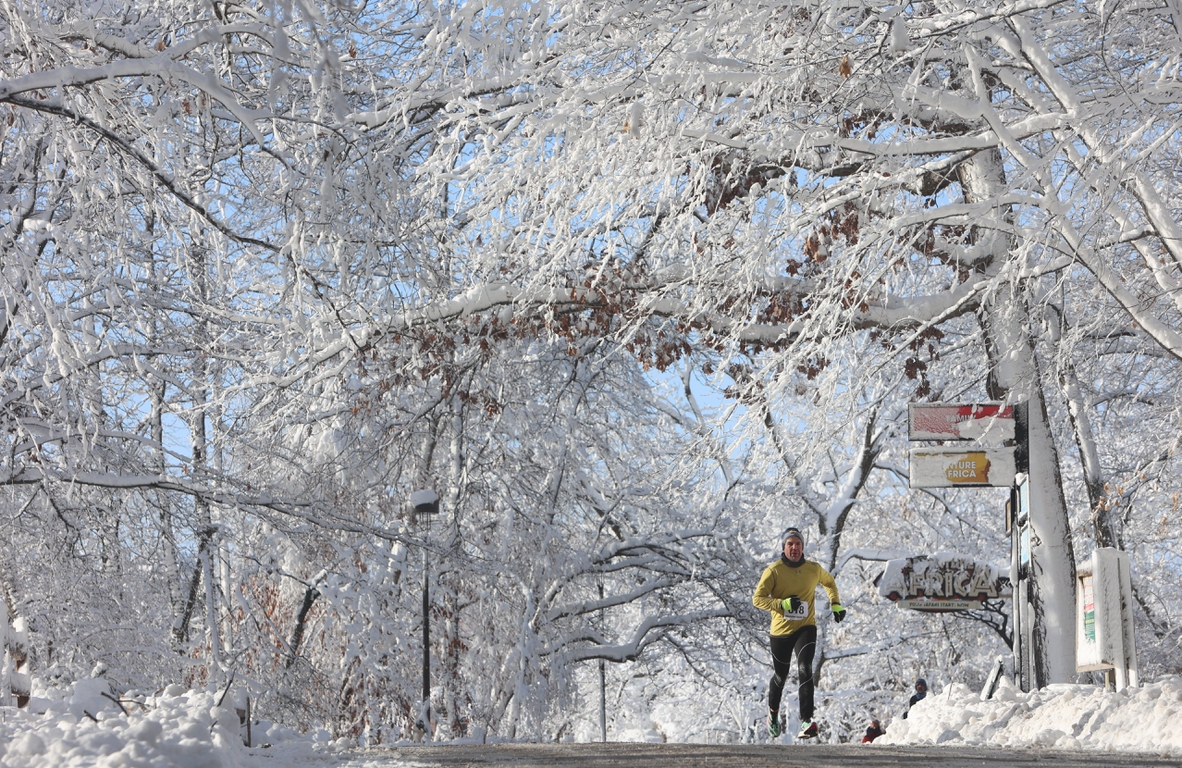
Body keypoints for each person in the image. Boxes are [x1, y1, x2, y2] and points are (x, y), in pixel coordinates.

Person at [752, 527, 846, 739]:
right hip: (781, 632)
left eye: (798, 544)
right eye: (790, 544)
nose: (794, 548)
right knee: (780, 676)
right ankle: (773, 715)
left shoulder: (813, 569)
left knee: (805, 668)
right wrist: (781, 604)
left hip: (806, 627)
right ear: (784, 547)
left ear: (803, 547)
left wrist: (836, 604)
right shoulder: (773, 571)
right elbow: (757, 599)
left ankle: (806, 720)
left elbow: (829, 582)